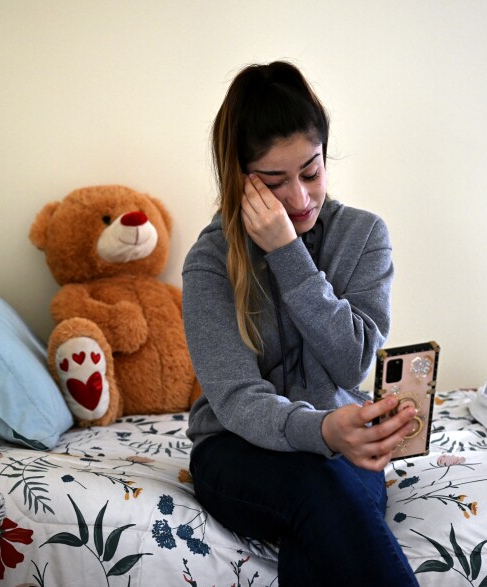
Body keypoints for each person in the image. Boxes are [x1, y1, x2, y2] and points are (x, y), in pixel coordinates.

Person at [182, 60, 420, 586]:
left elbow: (352, 361)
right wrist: (321, 431)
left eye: (311, 171)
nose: (300, 198)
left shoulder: (363, 236)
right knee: (323, 488)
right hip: (235, 450)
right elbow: (238, 399)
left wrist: (289, 255)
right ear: (240, 179)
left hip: (343, 443)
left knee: (325, 508)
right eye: (275, 182)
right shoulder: (210, 261)